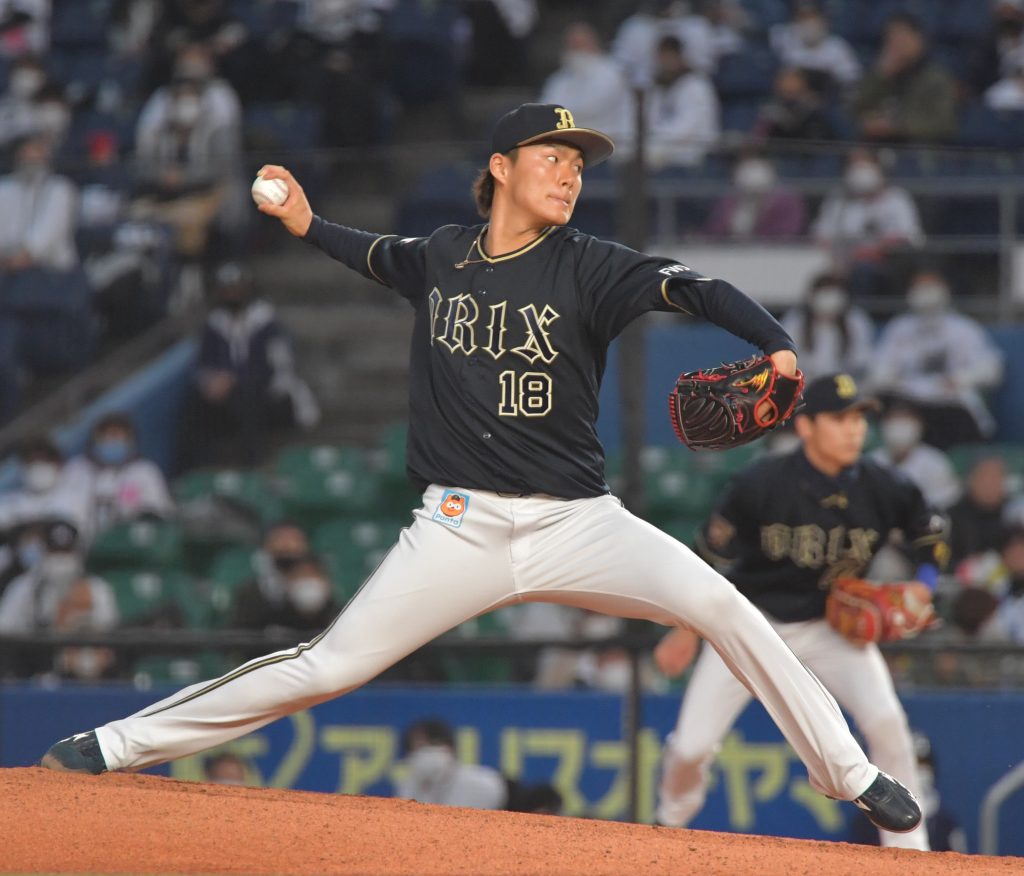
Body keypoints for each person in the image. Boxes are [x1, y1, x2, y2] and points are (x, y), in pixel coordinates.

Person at [40, 102, 921, 839]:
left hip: (580, 524)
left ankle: (847, 773)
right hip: (458, 526)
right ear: (501, 166)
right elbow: (376, 255)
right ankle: (113, 745)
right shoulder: (444, 255)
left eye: (578, 163)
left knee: (725, 606)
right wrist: (307, 224)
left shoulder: (591, 265)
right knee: (326, 667)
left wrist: (773, 342)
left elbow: (689, 286)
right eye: (553, 156)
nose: (571, 173)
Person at [654, 373, 945, 849]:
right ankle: (667, 826)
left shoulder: (883, 484)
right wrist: (687, 628)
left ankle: (910, 853)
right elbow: (708, 554)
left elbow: (930, 531)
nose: (854, 429)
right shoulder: (760, 482)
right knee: (690, 747)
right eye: (839, 418)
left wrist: (925, 584)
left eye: (859, 419)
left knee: (888, 724)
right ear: (806, 427)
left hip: (833, 628)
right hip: (750, 624)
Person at [176, 261, 320, 471]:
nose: (232, 295)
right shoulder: (214, 324)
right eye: (227, 290)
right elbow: (203, 363)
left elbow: (278, 368)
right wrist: (210, 382)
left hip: (269, 396)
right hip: (226, 397)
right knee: (193, 403)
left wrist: (234, 380)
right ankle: (198, 469)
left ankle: (253, 466)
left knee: (247, 398)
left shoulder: (266, 323)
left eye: (236, 289)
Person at [865, 268, 1004, 448]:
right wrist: (888, 377)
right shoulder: (899, 328)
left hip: (947, 405)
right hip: (909, 402)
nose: (924, 292)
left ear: (944, 290)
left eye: (930, 286)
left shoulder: (964, 329)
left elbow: (991, 369)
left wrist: (961, 378)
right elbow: (880, 367)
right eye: (919, 287)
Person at [810, 148, 924, 300]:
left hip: (886, 264)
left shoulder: (897, 198)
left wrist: (872, 251)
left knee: (864, 270)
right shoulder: (837, 199)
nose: (860, 169)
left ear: (878, 167)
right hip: (842, 263)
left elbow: (907, 235)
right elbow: (822, 235)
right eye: (854, 164)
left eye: (865, 163)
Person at [852, 12, 958, 144]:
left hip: (919, 152)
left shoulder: (936, 78)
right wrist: (880, 77)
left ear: (919, 39)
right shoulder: (881, 74)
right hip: (877, 147)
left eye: (903, 36)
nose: (896, 43)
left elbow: (944, 124)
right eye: (891, 38)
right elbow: (855, 110)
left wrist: (896, 127)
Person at [65, 412, 175, 539]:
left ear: (129, 441)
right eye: (107, 437)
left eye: (117, 437)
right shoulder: (77, 469)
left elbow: (157, 512)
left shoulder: (144, 471)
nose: (111, 442)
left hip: (130, 543)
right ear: (95, 439)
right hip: (84, 544)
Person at [538, 22, 633, 151]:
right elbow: (544, 110)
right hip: (564, 143)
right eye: (571, 45)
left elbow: (594, 108)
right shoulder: (559, 79)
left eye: (579, 45)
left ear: (594, 44)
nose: (575, 51)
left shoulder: (611, 72)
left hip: (604, 142)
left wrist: (564, 116)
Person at [779, 273, 874, 382]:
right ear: (812, 298)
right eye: (824, 296)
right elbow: (785, 358)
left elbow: (863, 360)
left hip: (844, 384)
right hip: (805, 385)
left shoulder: (856, 320)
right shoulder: (796, 321)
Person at [396, 718, 507, 809]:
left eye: (430, 746)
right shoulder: (407, 788)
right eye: (417, 749)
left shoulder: (485, 783)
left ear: (449, 749)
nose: (424, 755)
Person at [644, 35, 720, 170]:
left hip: (697, 156)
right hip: (668, 153)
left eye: (670, 57)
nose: (666, 61)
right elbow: (651, 120)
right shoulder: (658, 86)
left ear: (680, 57)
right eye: (662, 57)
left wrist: (657, 143)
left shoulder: (696, 84)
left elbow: (687, 127)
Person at [871, 402, 961, 511]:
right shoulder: (872, 461)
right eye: (894, 421)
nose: (900, 428)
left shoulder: (936, 462)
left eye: (905, 422)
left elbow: (946, 503)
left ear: (919, 426)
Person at [768, 0, 861, 97]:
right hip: (793, 98)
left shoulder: (837, 46)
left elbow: (852, 79)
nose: (808, 23)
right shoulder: (786, 39)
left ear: (823, 21)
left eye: (813, 17)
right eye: (803, 18)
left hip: (828, 99)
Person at [704, 153, 806, 240]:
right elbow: (715, 230)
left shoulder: (787, 200)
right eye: (748, 192)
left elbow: (786, 234)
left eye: (757, 192)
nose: (753, 195)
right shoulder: (729, 200)